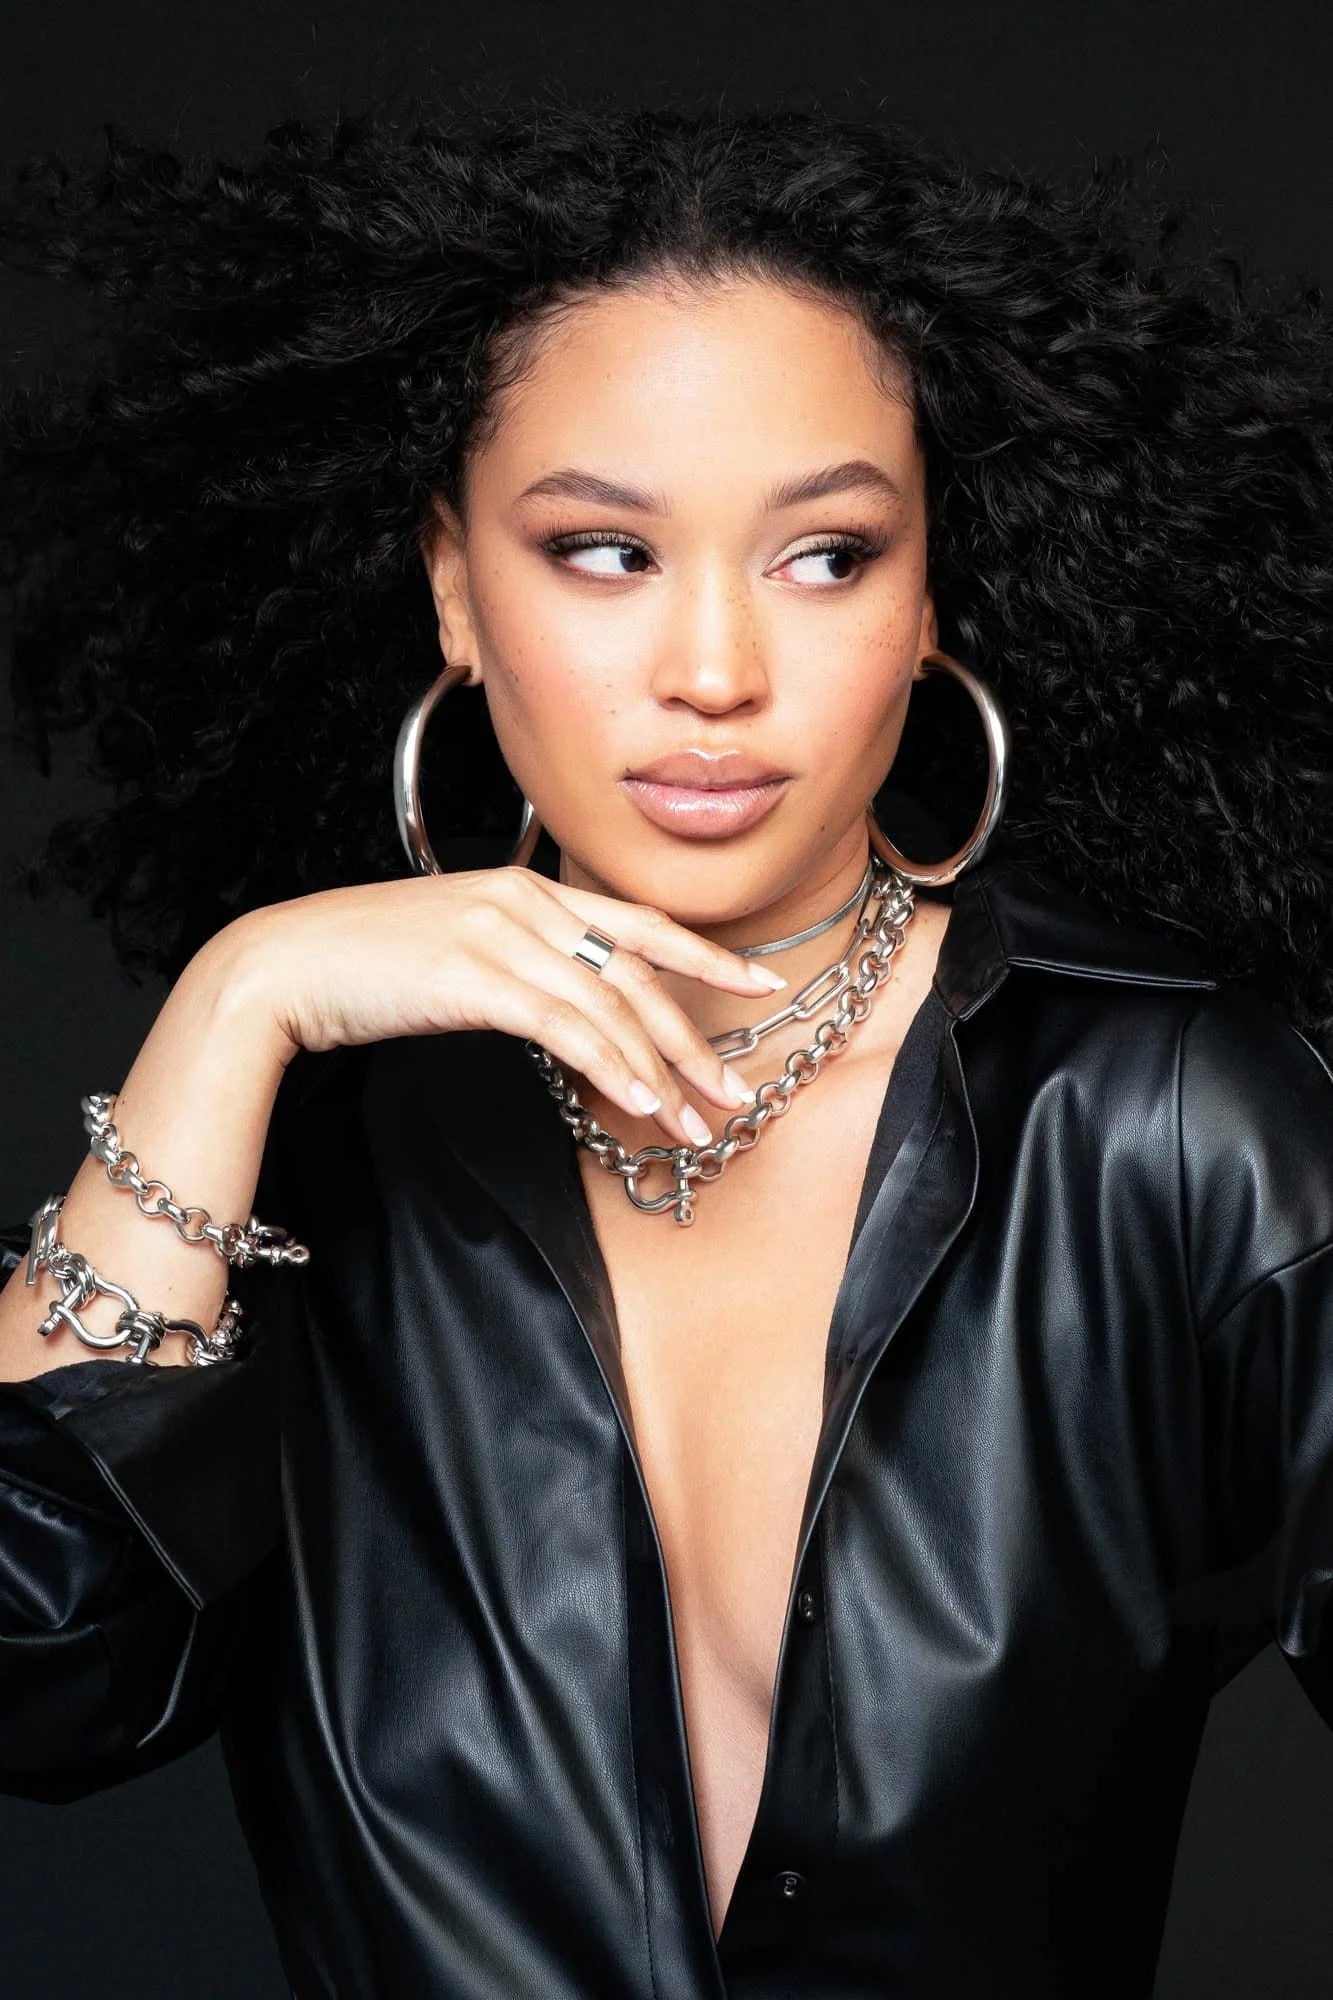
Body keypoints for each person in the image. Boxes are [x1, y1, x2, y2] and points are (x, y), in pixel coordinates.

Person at [0, 94, 1330, 1999]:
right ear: (455, 587)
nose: (712, 670)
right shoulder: (299, 1141)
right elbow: (34, 1674)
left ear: (931, 589)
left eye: (823, 555)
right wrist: (232, 1003)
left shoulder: (1166, 1119)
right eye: (603, 553)